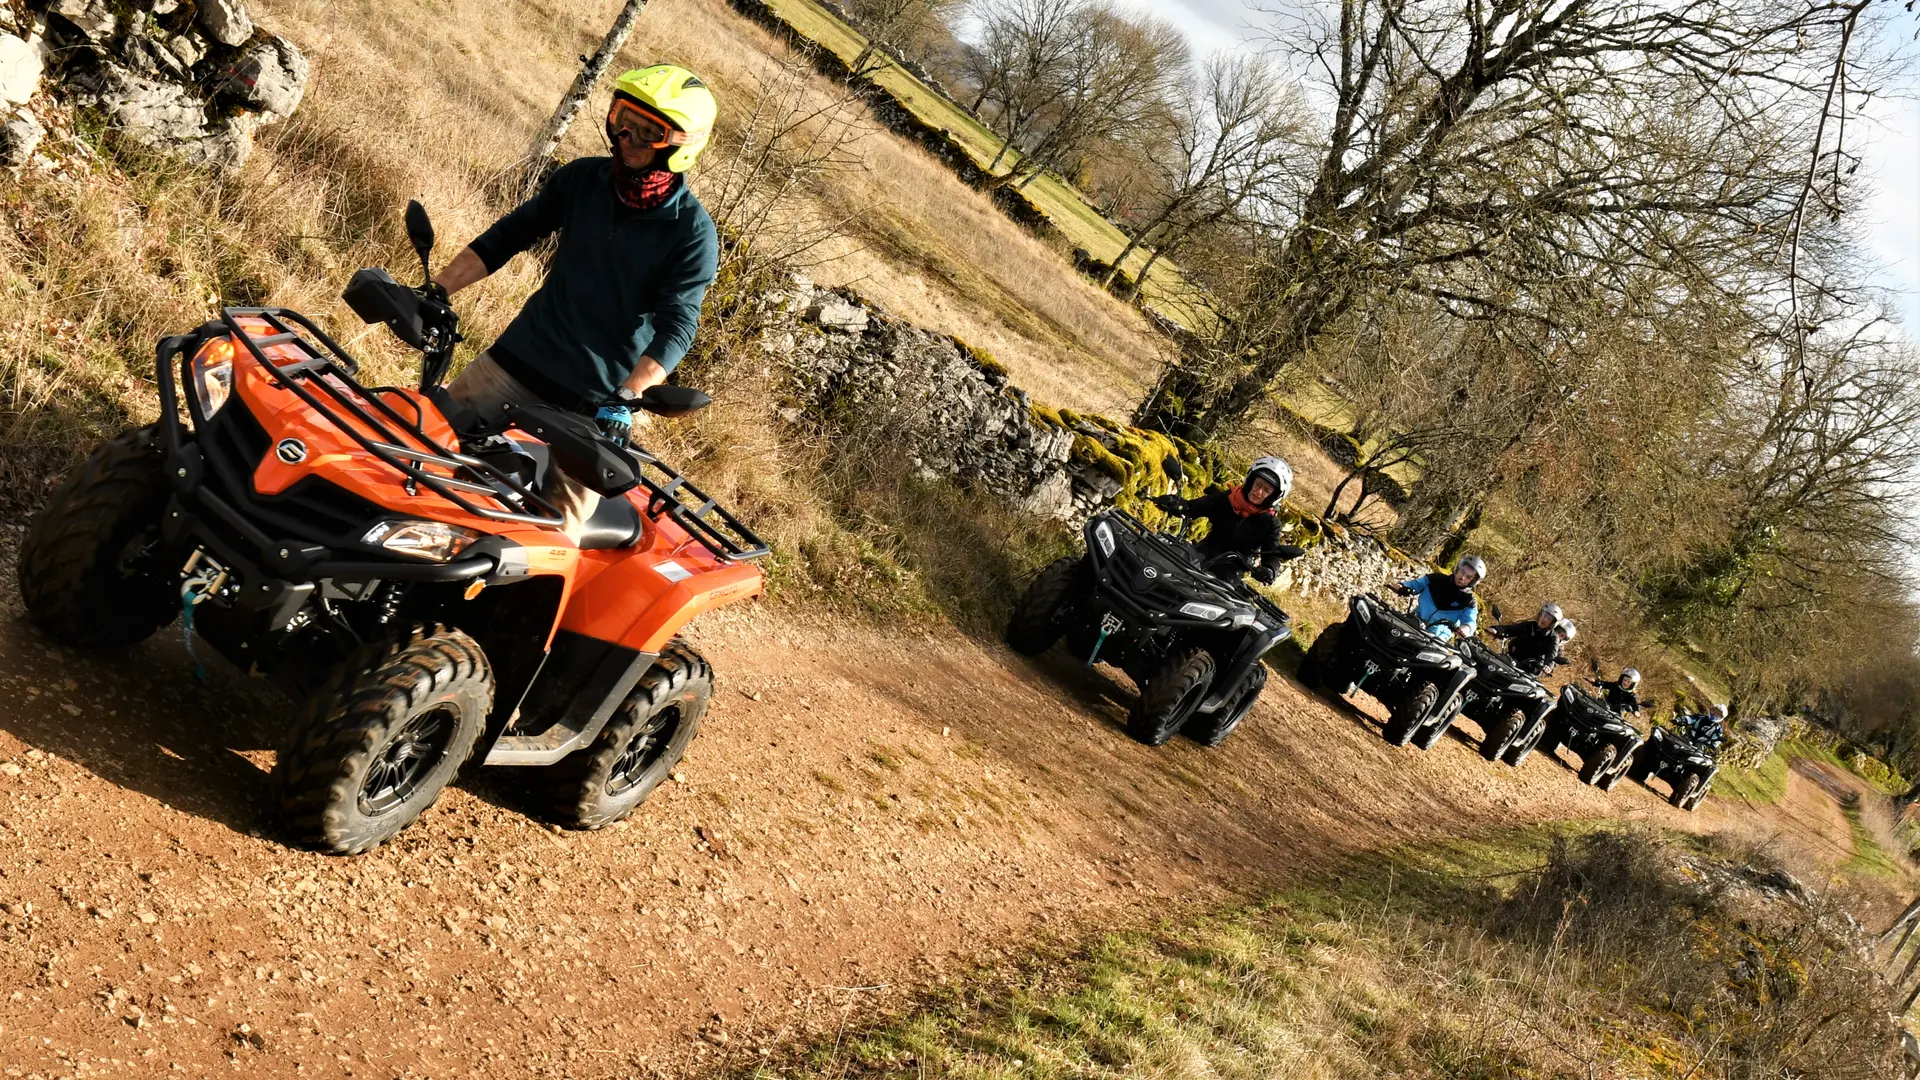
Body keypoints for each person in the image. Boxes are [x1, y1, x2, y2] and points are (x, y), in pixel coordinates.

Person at [429, 64, 721, 542]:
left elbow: (678, 325)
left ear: (680, 148)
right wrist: (437, 290)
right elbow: (510, 235)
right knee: (424, 445)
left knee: (552, 533)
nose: (626, 136)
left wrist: (628, 396)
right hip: (519, 358)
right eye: (622, 118)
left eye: (647, 132)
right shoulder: (585, 178)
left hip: (595, 403)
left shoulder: (691, 233)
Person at [1151, 457, 1305, 585]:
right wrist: (1177, 504)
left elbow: (1273, 552)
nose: (1259, 492)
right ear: (1250, 481)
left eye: (1266, 490)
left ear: (1274, 496)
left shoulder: (1270, 524)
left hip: (1228, 575)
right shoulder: (1229, 498)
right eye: (1258, 484)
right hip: (1199, 554)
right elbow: (1196, 506)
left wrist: (1269, 570)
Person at [1388, 554, 1487, 641]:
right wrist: (1402, 586)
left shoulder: (1469, 601)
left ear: (1473, 581)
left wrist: (1467, 628)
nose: (1462, 577)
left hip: (1438, 637)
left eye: (1468, 577)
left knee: (1435, 657)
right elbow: (1416, 584)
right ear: (1457, 569)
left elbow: (1471, 620)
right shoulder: (1436, 579)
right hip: (1415, 620)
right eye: (1462, 572)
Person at [1488, 603, 1572, 675]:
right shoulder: (1530, 625)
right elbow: (1511, 629)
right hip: (1510, 658)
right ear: (1540, 614)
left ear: (1553, 623)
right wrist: (1496, 629)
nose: (1544, 619)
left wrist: (1548, 666)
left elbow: (1551, 654)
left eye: (1549, 618)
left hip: (1528, 670)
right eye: (1544, 615)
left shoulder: (1553, 638)